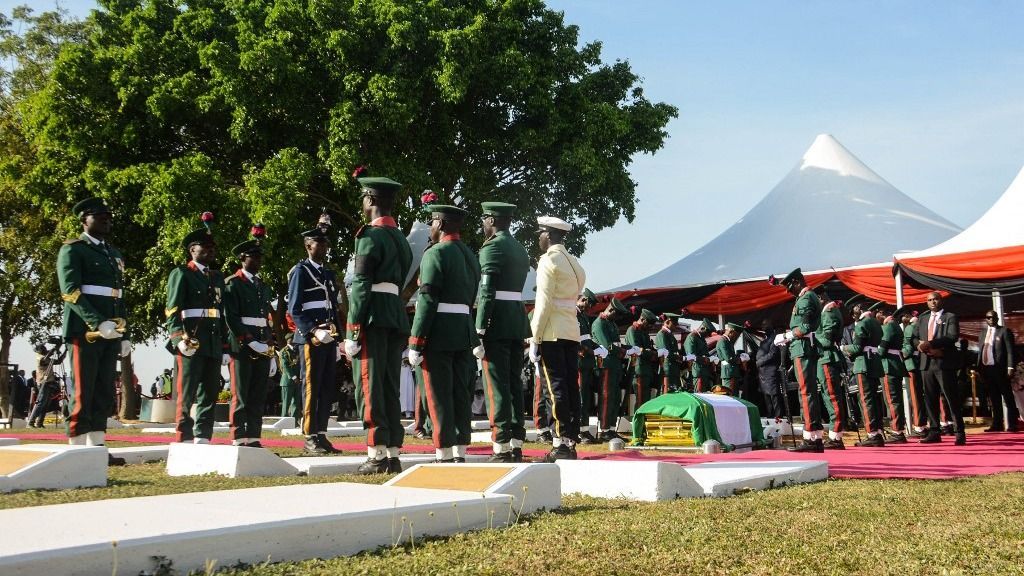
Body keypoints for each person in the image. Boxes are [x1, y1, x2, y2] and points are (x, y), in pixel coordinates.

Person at [342, 176, 413, 474]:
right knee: (389, 386)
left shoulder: (369, 236)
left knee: (370, 386)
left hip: (372, 317)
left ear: (370, 200)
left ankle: (377, 453)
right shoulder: (400, 238)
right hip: (394, 316)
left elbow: (360, 286)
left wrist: (352, 329)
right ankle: (393, 451)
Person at [57, 197, 130, 464]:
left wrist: (125, 333)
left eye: (109, 216)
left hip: (112, 332)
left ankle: (96, 445)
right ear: (84, 220)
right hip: (84, 331)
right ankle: (76, 446)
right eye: (100, 216)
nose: (106, 219)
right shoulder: (73, 249)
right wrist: (97, 322)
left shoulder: (114, 254)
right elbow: (71, 292)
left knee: (104, 391)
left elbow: (118, 297)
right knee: (82, 389)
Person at [408, 204, 480, 463]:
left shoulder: (435, 254)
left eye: (433, 222)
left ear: (442, 224)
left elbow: (427, 300)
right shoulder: (471, 256)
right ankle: (460, 448)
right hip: (463, 330)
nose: (431, 227)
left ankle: (444, 451)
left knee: (437, 394)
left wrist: (416, 341)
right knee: (461, 393)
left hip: (438, 332)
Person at [474, 201, 531, 462]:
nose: (483, 224)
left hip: (496, 321)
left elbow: (487, 292)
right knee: (514, 384)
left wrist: (480, 327)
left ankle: (501, 443)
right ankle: (517, 440)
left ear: (493, 221)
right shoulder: (520, 249)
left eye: (485, 219)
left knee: (495, 384)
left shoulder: (493, 247)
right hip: (516, 320)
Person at [165, 213, 228, 445]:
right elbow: (172, 309)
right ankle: (183, 434)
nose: (211, 251)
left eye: (213, 248)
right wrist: (178, 337)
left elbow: (221, 315)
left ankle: (203, 435)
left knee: (209, 393)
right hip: (191, 340)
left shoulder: (217, 277)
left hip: (212, 342)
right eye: (205, 247)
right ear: (193, 250)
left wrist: (224, 345)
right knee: (187, 390)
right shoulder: (182, 274)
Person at [530, 216, 587, 462]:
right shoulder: (574, 263)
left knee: (555, 388)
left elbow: (542, 303)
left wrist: (535, 337)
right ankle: (570, 439)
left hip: (552, 331)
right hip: (571, 330)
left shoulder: (548, 261)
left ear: (549, 235)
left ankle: (559, 442)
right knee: (571, 388)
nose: (538, 238)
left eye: (540, 233)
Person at [287, 221, 343, 455]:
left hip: (329, 338)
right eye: (319, 242)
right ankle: (310, 436)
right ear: (308, 246)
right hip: (312, 339)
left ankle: (321, 434)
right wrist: (312, 330)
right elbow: (294, 308)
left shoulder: (327, 273)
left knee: (326, 388)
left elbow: (333, 308)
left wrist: (339, 339)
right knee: (311, 387)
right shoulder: (301, 271)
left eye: (325, 243)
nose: (324, 246)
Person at [223, 230, 275, 448]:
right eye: (254, 256)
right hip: (242, 346)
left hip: (262, 345)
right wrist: (248, 339)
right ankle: (238, 436)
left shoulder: (263, 286)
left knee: (257, 394)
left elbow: (266, 319)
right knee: (241, 393)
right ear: (243, 258)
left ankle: (253, 436)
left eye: (260, 257)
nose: (258, 260)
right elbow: (231, 317)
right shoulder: (233, 283)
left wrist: (270, 348)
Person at [772, 268, 824, 452]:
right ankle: (814, 436)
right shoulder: (805, 298)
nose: (788, 291)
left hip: (802, 348)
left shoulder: (807, 298)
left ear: (796, 282)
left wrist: (788, 335)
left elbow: (806, 325)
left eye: (789, 286)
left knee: (806, 392)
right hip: (802, 348)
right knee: (808, 392)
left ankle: (811, 437)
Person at [917, 292, 965, 445]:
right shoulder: (923, 318)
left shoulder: (950, 317)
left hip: (943, 362)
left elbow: (952, 337)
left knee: (951, 398)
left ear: (941, 300)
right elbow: (914, 337)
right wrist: (920, 346)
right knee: (930, 399)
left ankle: (959, 432)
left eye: (935, 299)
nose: (933, 302)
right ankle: (934, 431)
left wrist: (932, 345)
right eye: (930, 300)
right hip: (926, 363)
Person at [843, 300, 886, 447]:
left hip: (863, 364)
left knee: (866, 399)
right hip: (874, 362)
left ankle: (872, 433)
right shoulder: (875, 323)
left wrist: (843, 348)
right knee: (874, 399)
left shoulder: (862, 324)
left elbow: (857, 347)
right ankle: (879, 431)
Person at [590, 297, 630, 443]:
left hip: (615, 365)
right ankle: (604, 430)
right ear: (611, 310)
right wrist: (624, 352)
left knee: (615, 398)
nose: (617, 317)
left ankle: (612, 429)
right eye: (616, 314)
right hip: (605, 365)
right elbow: (608, 346)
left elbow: (617, 344)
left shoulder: (610, 323)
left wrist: (628, 349)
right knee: (606, 397)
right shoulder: (599, 324)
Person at [574, 289, 607, 444]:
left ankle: (585, 430)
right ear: (584, 299)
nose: (590, 308)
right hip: (579, 363)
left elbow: (587, 339)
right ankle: (579, 431)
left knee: (585, 398)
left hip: (587, 363)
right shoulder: (572, 314)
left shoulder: (583, 317)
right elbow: (576, 342)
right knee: (580, 398)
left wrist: (599, 347)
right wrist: (592, 351)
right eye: (590, 304)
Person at [815, 298, 848, 449]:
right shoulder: (829, 311)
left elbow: (827, 338)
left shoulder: (828, 312)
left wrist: (811, 336)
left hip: (827, 357)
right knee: (829, 395)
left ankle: (836, 435)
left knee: (832, 396)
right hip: (826, 358)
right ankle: (835, 434)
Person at [977, 310, 1017, 432]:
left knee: (1008, 397)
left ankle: (1012, 424)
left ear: (998, 318)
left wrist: (1010, 367)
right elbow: (981, 351)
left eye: (993, 317)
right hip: (987, 370)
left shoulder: (1004, 331)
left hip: (1001, 369)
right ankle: (997, 424)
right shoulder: (983, 333)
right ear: (986, 319)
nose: (991, 319)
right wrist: (979, 368)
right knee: (994, 398)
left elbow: (1010, 351)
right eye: (988, 318)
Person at [875, 303, 908, 443]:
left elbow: (882, 350)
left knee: (891, 400)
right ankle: (898, 428)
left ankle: (897, 430)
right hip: (894, 365)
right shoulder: (894, 325)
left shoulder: (888, 326)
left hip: (888, 366)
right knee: (895, 399)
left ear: (881, 313)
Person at [901, 310, 928, 437]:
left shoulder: (910, 328)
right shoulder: (922, 325)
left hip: (912, 364)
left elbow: (908, 347)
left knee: (914, 396)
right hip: (922, 363)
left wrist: (900, 355)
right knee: (920, 395)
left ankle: (919, 426)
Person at [625, 309, 658, 412]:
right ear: (642, 319)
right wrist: (649, 352)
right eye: (648, 323)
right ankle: (638, 424)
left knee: (646, 400)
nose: (650, 327)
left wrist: (651, 352)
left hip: (646, 370)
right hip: (638, 369)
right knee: (640, 401)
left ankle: (643, 424)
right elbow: (638, 350)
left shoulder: (644, 332)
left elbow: (647, 351)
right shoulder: (633, 330)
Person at [28, 343, 65, 428]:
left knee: (46, 404)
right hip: (43, 383)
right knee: (41, 403)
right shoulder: (40, 357)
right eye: (44, 348)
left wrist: (64, 350)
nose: (45, 350)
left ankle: (39, 422)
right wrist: (54, 349)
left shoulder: (46, 357)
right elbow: (46, 358)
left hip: (49, 382)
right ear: (40, 350)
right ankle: (31, 421)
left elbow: (58, 361)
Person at [755, 319, 784, 419]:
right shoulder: (764, 340)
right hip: (762, 373)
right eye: (762, 325)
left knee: (774, 395)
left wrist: (760, 362)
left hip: (770, 371)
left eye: (765, 325)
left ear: (771, 326)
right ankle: (770, 416)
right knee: (766, 395)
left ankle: (778, 417)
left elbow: (773, 354)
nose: (763, 328)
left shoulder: (775, 338)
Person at [655, 313, 684, 394]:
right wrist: (681, 358)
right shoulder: (662, 334)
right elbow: (666, 353)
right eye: (674, 323)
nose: (676, 325)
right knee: (668, 392)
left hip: (674, 368)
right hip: (668, 368)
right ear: (667, 322)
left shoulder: (669, 334)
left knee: (675, 392)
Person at [715, 323, 747, 394]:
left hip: (732, 372)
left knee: (734, 395)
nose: (737, 337)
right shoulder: (723, 341)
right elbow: (728, 358)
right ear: (731, 332)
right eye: (736, 335)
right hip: (729, 373)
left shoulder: (728, 341)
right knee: (730, 395)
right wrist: (741, 359)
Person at [684, 319, 715, 392]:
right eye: (707, 333)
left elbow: (705, 353)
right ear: (703, 328)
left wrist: (711, 359)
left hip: (704, 371)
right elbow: (691, 356)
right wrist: (704, 359)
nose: (708, 335)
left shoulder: (701, 338)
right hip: (697, 370)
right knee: (699, 393)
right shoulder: (692, 337)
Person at [278, 333, 300, 419]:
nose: (294, 340)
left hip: (298, 380)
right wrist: (294, 377)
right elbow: (285, 366)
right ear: (288, 340)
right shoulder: (284, 351)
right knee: (286, 403)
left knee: (296, 403)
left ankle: (294, 422)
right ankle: (284, 420)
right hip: (287, 381)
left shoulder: (297, 350)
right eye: (292, 338)